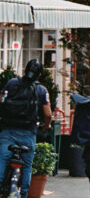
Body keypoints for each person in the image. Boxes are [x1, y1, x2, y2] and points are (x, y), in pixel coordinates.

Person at [0, 59, 51, 198]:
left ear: (24, 70)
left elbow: (1, 101)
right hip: (28, 133)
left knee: (2, 161)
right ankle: (24, 193)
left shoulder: (11, 84)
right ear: (39, 75)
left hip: (8, 131)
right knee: (27, 166)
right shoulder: (41, 90)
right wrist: (46, 126)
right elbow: (48, 114)